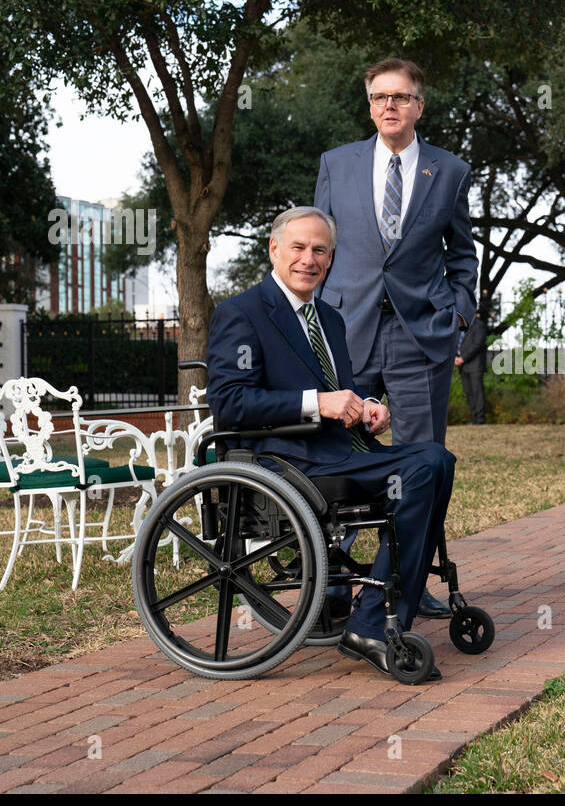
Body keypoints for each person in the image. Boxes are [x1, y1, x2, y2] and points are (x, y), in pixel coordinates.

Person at [207, 206, 456, 681]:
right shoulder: (240, 314)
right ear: (274, 249)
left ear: (331, 257)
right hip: (285, 462)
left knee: (437, 459)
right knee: (425, 464)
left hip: (341, 452)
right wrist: (316, 403)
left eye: (320, 249)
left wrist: (365, 406)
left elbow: (338, 387)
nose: (309, 259)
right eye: (298, 247)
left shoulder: (330, 319)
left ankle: (373, 614)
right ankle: (372, 626)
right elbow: (232, 404)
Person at [313, 57, 478, 618]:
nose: (390, 105)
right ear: (369, 105)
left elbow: (463, 254)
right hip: (345, 330)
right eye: (380, 97)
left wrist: (457, 314)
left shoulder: (449, 171)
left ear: (418, 106)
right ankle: (332, 579)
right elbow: (319, 246)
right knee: (340, 454)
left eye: (401, 97)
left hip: (420, 337)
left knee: (423, 459)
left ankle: (407, 581)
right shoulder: (336, 164)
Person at [456, 308, 488, 425]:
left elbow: (477, 344)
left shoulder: (479, 325)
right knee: (469, 393)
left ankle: (480, 419)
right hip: (462, 366)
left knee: (477, 393)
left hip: (475, 365)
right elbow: (457, 343)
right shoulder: (462, 326)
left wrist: (463, 358)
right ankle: (473, 418)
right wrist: (456, 357)